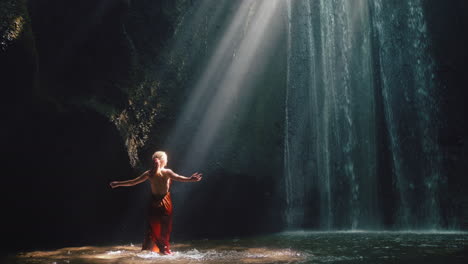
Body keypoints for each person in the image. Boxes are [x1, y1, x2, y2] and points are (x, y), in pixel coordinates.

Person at [109, 151, 202, 255]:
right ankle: (164, 250)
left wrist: (118, 183)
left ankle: (149, 251)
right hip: (165, 204)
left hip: (154, 205)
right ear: (164, 161)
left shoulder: (149, 173)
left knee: (152, 229)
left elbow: (133, 182)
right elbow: (180, 178)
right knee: (164, 228)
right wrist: (191, 179)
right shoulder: (167, 172)